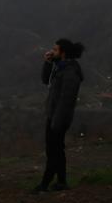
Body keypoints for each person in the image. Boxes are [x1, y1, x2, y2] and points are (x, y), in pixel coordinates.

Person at [35, 38, 85, 193]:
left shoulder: (70, 73)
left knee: (53, 151)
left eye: (55, 50)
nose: (52, 51)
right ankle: (61, 182)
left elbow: (66, 101)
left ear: (63, 53)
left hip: (58, 119)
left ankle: (44, 184)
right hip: (53, 116)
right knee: (57, 150)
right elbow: (45, 80)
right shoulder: (60, 67)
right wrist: (48, 62)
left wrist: (56, 122)